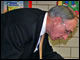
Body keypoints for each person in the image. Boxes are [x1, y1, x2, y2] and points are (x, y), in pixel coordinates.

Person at [1, 6, 78, 59]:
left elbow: (47, 55)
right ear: (57, 21)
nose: (65, 38)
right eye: (67, 31)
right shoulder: (24, 24)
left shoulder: (41, 26)